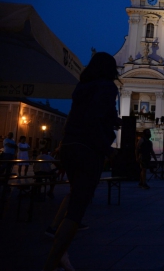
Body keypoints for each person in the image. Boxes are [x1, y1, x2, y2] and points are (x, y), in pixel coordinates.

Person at [43, 52, 121, 271]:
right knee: (77, 210)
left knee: (75, 195)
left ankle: (58, 245)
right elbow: (92, 120)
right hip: (87, 150)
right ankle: (51, 261)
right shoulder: (107, 86)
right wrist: (108, 149)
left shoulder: (82, 87)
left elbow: (79, 117)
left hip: (69, 146)